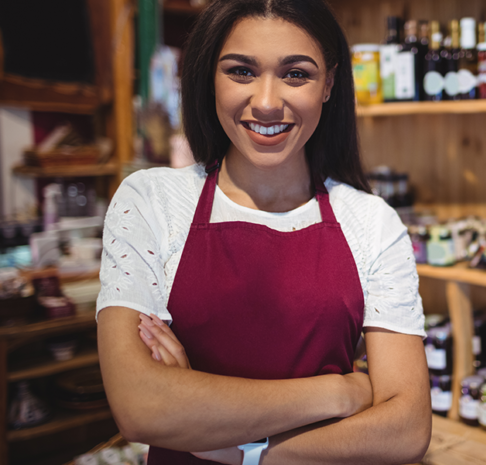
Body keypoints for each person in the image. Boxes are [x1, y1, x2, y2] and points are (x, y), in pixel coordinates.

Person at [96, 1, 431, 464]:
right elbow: (140, 407)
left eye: (297, 74)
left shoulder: (371, 222)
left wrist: (239, 451)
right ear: (209, 77)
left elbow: (407, 428)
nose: (268, 101)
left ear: (329, 84)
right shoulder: (151, 201)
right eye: (241, 72)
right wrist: (338, 392)